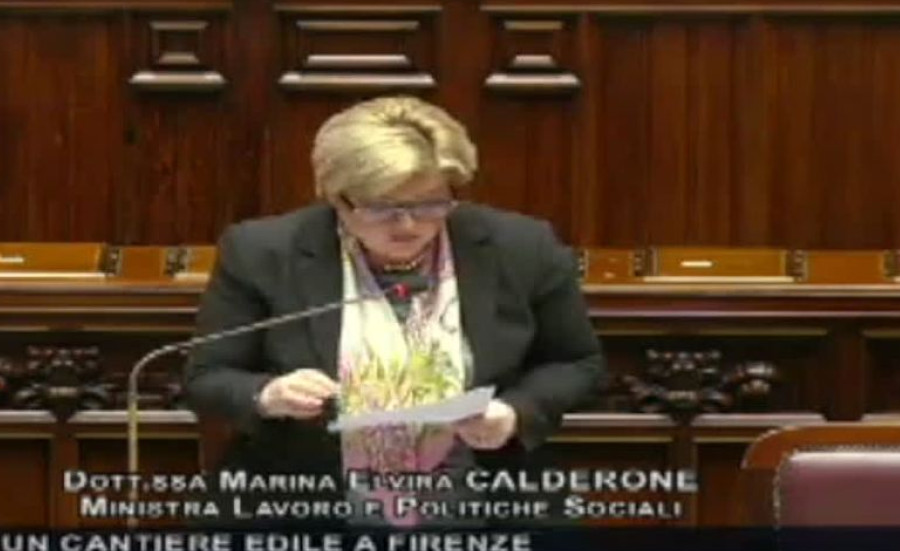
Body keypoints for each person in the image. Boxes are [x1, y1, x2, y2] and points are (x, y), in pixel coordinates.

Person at [184, 95, 604, 527]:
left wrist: (515, 413)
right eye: (382, 207)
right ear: (337, 197)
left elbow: (578, 362)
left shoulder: (521, 247)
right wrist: (268, 395)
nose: (407, 225)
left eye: (429, 203)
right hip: (304, 509)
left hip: (488, 507)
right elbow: (207, 376)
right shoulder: (262, 252)